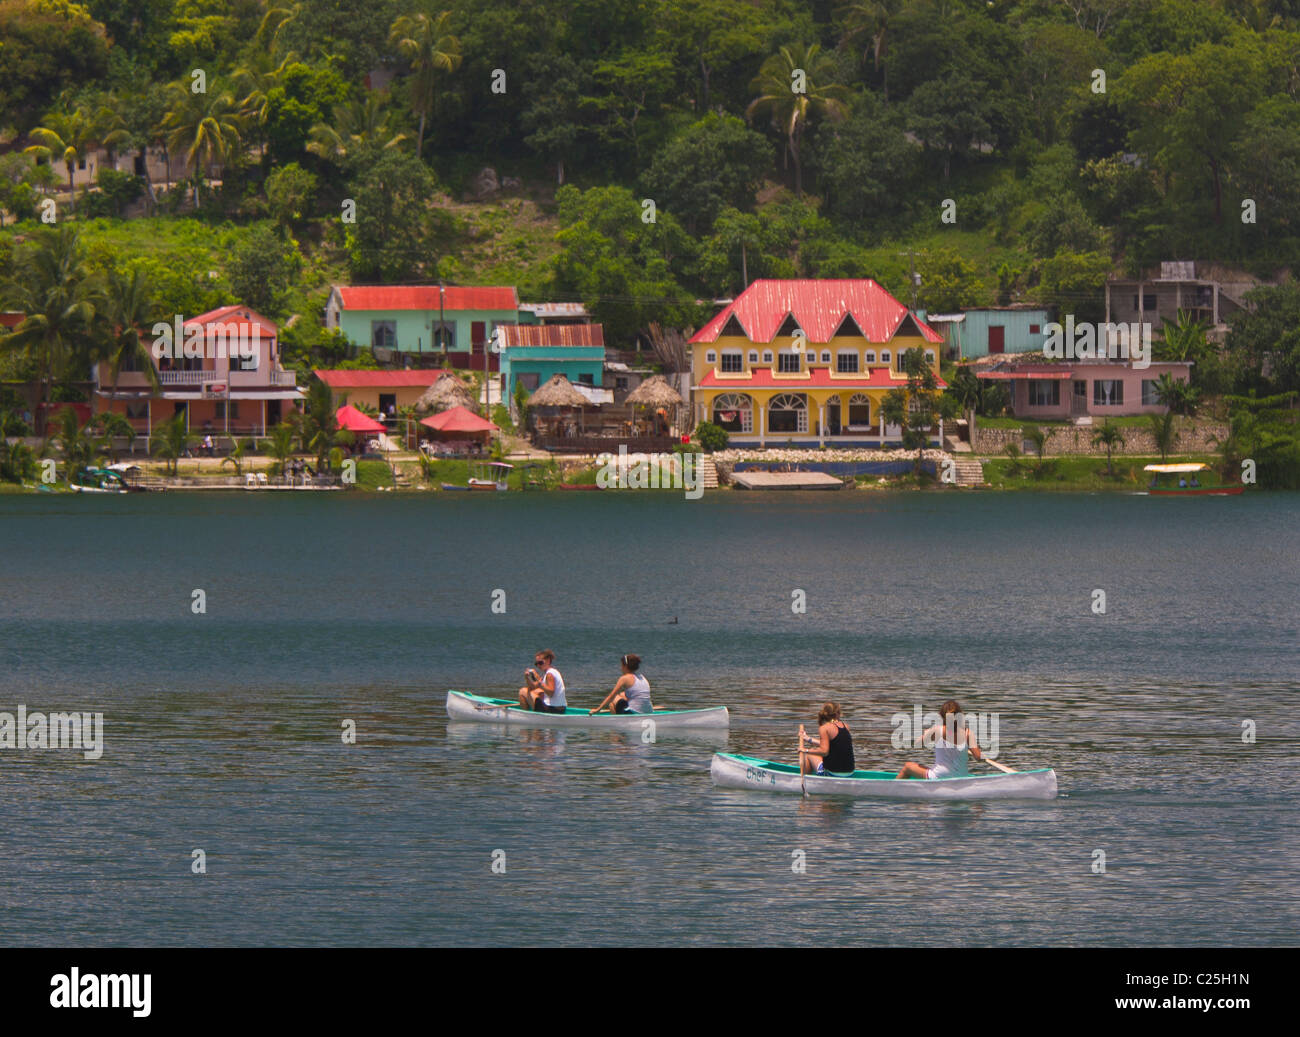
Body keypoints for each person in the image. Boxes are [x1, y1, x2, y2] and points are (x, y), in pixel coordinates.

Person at [896, 699, 985, 779]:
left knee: (908, 766)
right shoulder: (968, 733)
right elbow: (978, 757)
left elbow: (917, 743)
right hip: (962, 776)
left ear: (942, 716)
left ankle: (893, 788)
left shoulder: (937, 730)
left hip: (940, 776)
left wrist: (926, 733)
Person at [800, 702, 855, 776]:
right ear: (837, 714)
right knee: (814, 752)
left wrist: (805, 751)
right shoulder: (845, 726)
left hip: (832, 774)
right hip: (850, 773)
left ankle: (806, 780)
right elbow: (835, 744)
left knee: (809, 755)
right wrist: (808, 738)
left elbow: (824, 751)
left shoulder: (824, 728)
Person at [519, 649, 566, 713]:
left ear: (548, 661)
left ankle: (526, 715)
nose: (538, 666)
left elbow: (551, 693)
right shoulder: (550, 672)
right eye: (536, 664)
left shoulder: (550, 674)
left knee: (522, 691)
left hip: (554, 709)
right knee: (537, 691)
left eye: (540, 663)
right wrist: (527, 677)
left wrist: (539, 681)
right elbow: (532, 687)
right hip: (560, 708)